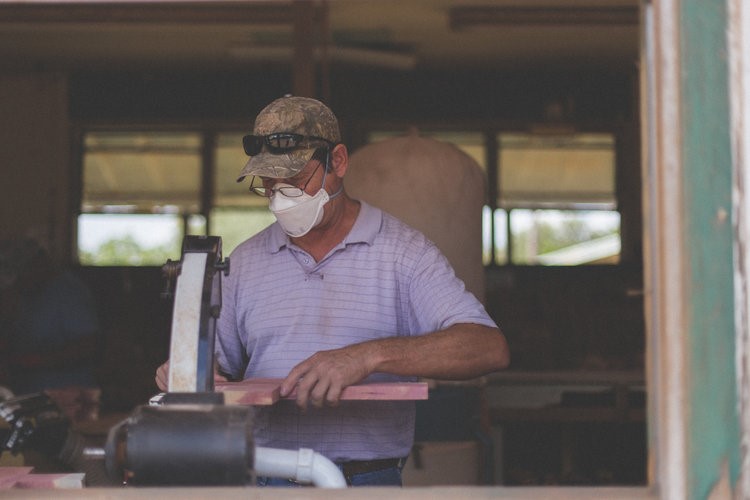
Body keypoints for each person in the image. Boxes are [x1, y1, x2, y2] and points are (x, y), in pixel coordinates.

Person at [156, 95, 510, 487]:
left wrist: (367, 356)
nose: (280, 198)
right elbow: (216, 371)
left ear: (338, 162)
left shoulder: (403, 253)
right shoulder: (245, 262)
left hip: (366, 481)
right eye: (270, 185)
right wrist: (191, 373)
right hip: (267, 478)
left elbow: (487, 347)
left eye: (294, 180)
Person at [0, 238, 101, 396]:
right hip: (28, 393)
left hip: (67, 396)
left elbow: (86, 347)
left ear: (36, 264)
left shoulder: (69, 292)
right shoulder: (26, 294)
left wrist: (32, 361)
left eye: (22, 274)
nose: (21, 281)